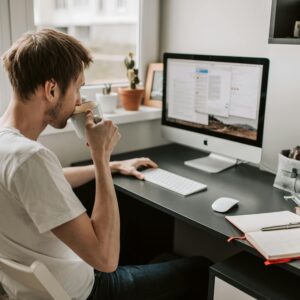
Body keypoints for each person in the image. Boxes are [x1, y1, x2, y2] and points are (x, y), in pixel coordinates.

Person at [0, 28, 212, 300]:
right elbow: (106, 259)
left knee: (159, 254)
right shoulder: (31, 158)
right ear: (51, 89)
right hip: (88, 291)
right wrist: (101, 157)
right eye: (78, 87)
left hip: (33, 289)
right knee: (201, 268)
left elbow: (44, 182)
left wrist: (112, 167)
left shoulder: (11, 148)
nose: (79, 99)